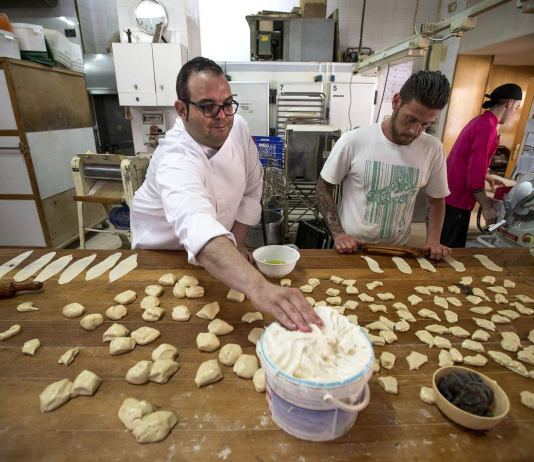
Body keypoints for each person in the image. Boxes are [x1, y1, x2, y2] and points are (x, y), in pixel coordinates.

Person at [131, 57, 322, 332]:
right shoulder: (175, 159)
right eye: (208, 107)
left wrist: (238, 243)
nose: (222, 116)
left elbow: (252, 188)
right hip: (163, 257)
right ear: (182, 110)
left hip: (219, 257)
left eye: (228, 104)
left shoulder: (238, 128)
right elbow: (198, 227)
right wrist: (259, 288)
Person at [316, 70, 452, 260]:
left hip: (399, 250)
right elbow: (323, 188)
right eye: (410, 119)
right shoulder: (353, 141)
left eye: (425, 124)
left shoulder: (433, 149)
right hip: (351, 248)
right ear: (396, 102)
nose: (415, 131)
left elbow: (436, 200)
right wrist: (338, 234)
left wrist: (434, 239)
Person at [440, 83, 522, 248]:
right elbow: (474, 175)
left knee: (443, 243)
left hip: (450, 193)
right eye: (516, 107)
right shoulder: (487, 128)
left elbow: (468, 160)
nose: (514, 113)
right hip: (458, 198)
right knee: (449, 249)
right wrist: (486, 207)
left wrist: (488, 177)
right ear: (510, 103)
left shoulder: (480, 121)